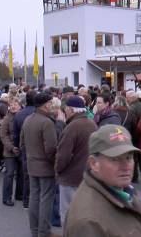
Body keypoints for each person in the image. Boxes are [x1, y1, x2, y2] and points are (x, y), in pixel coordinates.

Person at [64, 125, 141, 237]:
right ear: (94, 163)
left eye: (129, 157)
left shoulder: (121, 190)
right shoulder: (88, 221)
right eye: (115, 159)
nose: (126, 166)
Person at [55, 96, 97, 225]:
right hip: (87, 176)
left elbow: (63, 155)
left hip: (71, 177)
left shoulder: (71, 127)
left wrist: (58, 170)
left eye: (66, 109)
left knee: (68, 214)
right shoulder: (92, 124)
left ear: (71, 110)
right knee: (84, 214)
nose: (65, 111)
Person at [20, 92, 57, 237]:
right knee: (45, 199)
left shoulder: (28, 119)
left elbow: (22, 143)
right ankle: (44, 231)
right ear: (46, 104)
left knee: (34, 198)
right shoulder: (46, 122)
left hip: (31, 164)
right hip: (45, 166)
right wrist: (56, 163)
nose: (52, 105)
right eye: (51, 103)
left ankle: (35, 231)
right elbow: (51, 149)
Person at [13, 89, 37, 209]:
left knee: (24, 174)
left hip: (24, 147)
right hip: (37, 148)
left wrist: (16, 146)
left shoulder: (19, 114)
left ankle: (24, 199)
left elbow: (16, 134)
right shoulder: (39, 114)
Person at [0, 97, 22, 206]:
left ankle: (19, 194)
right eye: (12, 104)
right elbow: (3, 135)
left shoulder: (23, 117)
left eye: (16, 104)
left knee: (21, 174)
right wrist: (12, 147)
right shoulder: (7, 119)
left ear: (20, 106)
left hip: (21, 149)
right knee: (9, 174)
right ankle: (6, 197)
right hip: (10, 151)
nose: (13, 106)